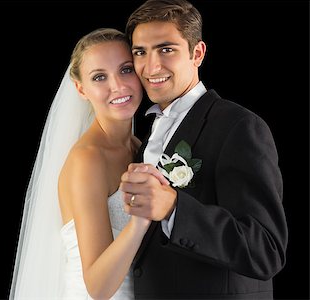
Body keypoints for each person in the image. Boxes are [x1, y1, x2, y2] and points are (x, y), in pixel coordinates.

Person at [118, 0, 288, 299]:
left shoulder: (239, 126)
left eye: (166, 49)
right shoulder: (146, 132)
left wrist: (174, 207)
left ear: (197, 53)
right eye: (140, 52)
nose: (151, 66)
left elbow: (265, 250)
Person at [9, 28, 166, 299]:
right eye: (100, 77)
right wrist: (140, 220)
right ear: (81, 89)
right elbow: (98, 286)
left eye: (126, 70)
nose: (117, 85)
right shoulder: (88, 159)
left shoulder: (138, 147)